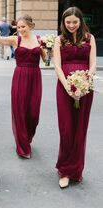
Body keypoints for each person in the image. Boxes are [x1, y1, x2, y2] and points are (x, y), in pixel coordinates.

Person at [0, 14, 46, 159]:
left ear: (30, 26)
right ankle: (23, 147)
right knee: (20, 110)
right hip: (20, 76)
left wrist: (47, 50)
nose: (20, 30)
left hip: (35, 77)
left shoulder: (39, 40)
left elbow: (46, 59)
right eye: (18, 27)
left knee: (33, 113)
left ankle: (27, 137)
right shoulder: (15, 39)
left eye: (23, 27)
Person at [53, 7, 96, 189]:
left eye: (75, 22)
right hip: (64, 88)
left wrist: (85, 83)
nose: (71, 25)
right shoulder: (59, 40)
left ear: (80, 22)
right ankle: (64, 170)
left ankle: (76, 170)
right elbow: (57, 66)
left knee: (80, 128)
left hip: (85, 88)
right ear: (63, 22)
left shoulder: (89, 38)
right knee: (66, 129)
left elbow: (93, 64)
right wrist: (68, 87)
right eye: (68, 22)